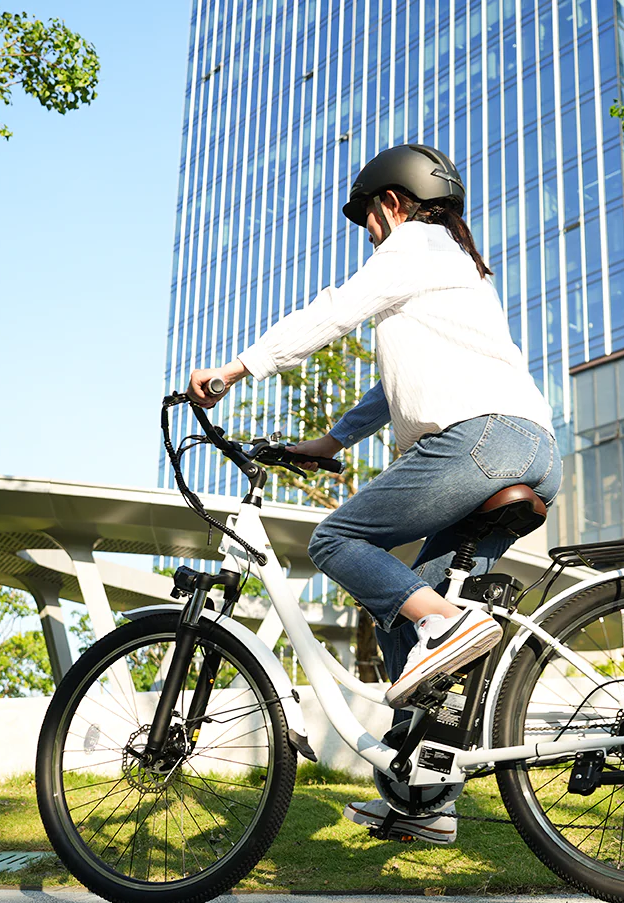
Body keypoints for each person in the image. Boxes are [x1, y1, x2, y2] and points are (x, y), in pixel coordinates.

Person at [188, 143, 561, 844]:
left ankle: (444, 627)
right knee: (409, 605)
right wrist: (332, 442)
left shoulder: (413, 245)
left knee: (338, 540)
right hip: (533, 448)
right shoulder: (455, 267)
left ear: (392, 203)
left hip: (480, 441)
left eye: (368, 218)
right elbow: (388, 387)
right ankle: (424, 793)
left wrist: (237, 369)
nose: (368, 233)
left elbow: (334, 311)